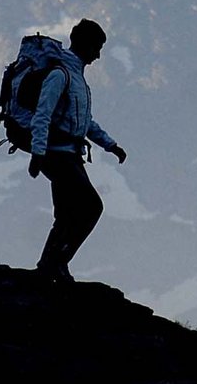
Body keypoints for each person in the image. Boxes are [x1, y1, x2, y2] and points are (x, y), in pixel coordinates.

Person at [28, 18, 127, 281]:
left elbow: (85, 122)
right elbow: (42, 114)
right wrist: (38, 153)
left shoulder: (78, 80)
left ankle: (49, 266)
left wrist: (110, 145)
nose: (98, 55)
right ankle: (56, 262)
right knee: (91, 207)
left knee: (66, 213)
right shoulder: (60, 75)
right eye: (96, 47)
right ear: (84, 44)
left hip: (69, 154)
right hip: (57, 154)